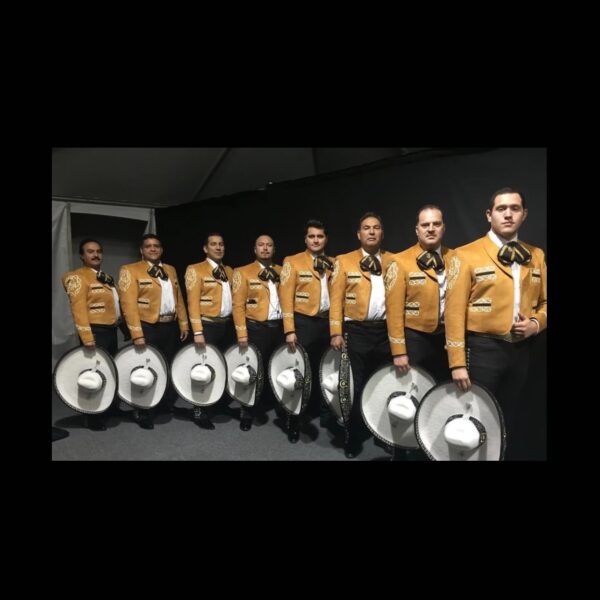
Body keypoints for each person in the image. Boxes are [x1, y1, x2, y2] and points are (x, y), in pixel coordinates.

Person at [445, 187, 547, 460]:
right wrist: (457, 362)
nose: (508, 214)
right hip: (481, 350)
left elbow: (546, 303)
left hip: (522, 351)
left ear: (524, 215)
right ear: (489, 215)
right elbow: (453, 313)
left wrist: (536, 324)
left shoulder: (536, 255)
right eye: (501, 209)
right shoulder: (463, 255)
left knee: (509, 415)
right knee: (476, 417)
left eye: (515, 208)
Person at [385, 205, 456, 460]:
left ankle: (429, 448)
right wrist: (399, 351)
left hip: (446, 341)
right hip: (414, 339)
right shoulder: (399, 261)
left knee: (439, 396)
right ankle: (401, 451)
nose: (431, 229)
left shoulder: (457, 258)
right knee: (408, 399)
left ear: (443, 228)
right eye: (425, 225)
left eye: (436, 224)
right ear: (417, 229)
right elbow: (393, 313)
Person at [329, 212, 395, 458]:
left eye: (376, 227)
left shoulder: (393, 261)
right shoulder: (343, 261)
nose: (371, 232)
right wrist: (336, 331)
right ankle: (352, 433)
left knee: (382, 385)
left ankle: (380, 433)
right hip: (356, 331)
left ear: (382, 232)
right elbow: (335, 301)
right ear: (359, 234)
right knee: (354, 386)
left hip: (385, 332)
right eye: (366, 228)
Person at [118, 234, 189, 429]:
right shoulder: (130, 270)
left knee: (166, 366)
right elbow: (128, 305)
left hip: (169, 325)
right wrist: (136, 333)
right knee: (145, 369)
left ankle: (164, 404)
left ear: (161, 249)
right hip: (147, 326)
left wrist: (183, 323)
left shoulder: (170, 270)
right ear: (141, 250)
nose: (153, 249)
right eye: (148, 246)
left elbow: (179, 298)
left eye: (156, 246)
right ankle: (142, 410)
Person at [62, 238, 130, 430]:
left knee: (109, 371)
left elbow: (115, 305)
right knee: (93, 375)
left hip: (109, 330)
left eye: (98, 251)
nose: (95, 254)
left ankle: (111, 408)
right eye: (90, 251)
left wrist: (124, 328)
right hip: (94, 332)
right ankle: (91, 415)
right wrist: (87, 337)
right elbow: (79, 310)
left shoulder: (105, 277)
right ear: (82, 256)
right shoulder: (77, 277)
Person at [278, 219, 335, 443]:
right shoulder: (292, 262)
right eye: (311, 236)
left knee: (325, 370)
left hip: (327, 323)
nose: (316, 240)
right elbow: (285, 299)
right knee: (298, 372)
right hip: (303, 323)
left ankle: (325, 415)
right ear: (306, 239)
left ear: (325, 239)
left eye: (320, 236)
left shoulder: (333, 262)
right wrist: (290, 329)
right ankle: (294, 419)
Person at [232, 235, 282, 431]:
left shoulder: (281, 271)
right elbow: (237, 306)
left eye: (269, 245)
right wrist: (242, 333)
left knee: (276, 369)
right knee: (252, 371)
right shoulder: (242, 272)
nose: (265, 248)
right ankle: (248, 411)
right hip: (255, 328)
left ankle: (277, 405)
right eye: (261, 245)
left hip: (278, 328)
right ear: (255, 249)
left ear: (274, 249)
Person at [184, 232, 235, 430]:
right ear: (206, 248)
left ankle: (219, 404)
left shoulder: (229, 271)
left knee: (223, 366)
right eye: (213, 244)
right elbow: (192, 303)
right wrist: (197, 331)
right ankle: (199, 409)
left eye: (221, 244)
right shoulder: (195, 269)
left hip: (226, 325)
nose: (218, 247)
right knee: (203, 369)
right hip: (207, 325)